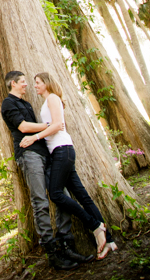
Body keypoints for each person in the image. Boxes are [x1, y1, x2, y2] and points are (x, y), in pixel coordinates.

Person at [20, 72, 118, 260]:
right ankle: (109, 240)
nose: (35, 86)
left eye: (38, 83)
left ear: (47, 84)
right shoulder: (47, 102)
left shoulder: (53, 98)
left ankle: (95, 226)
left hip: (62, 150)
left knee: (56, 193)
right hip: (60, 151)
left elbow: (57, 125)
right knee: (82, 196)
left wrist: (34, 136)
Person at [1, 71, 93, 270]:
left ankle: (65, 242)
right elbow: (24, 127)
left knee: (61, 194)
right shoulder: (8, 104)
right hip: (29, 154)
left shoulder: (26, 104)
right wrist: (49, 125)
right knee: (40, 201)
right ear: (13, 83)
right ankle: (52, 253)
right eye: (23, 82)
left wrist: (43, 133)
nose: (27, 85)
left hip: (45, 154)